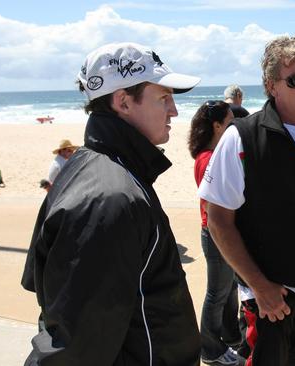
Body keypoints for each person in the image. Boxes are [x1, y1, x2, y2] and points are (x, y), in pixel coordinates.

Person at [20, 42, 203, 365]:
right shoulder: (111, 197)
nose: (174, 110)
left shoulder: (91, 167)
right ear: (123, 102)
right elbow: (72, 349)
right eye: (163, 97)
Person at [198, 35, 295, 366]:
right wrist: (260, 287)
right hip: (270, 301)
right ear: (272, 85)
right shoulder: (241, 137)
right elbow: (218, 220)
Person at [188, 100, 243, 366]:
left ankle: (231, 337)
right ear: (217, 125)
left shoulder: (211, 154)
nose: (234, 127)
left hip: (220, 232)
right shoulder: (209, 158)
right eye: (230, 122)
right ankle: (210, 349)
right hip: (215, 234)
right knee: (217, 293)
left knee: (229, 288)